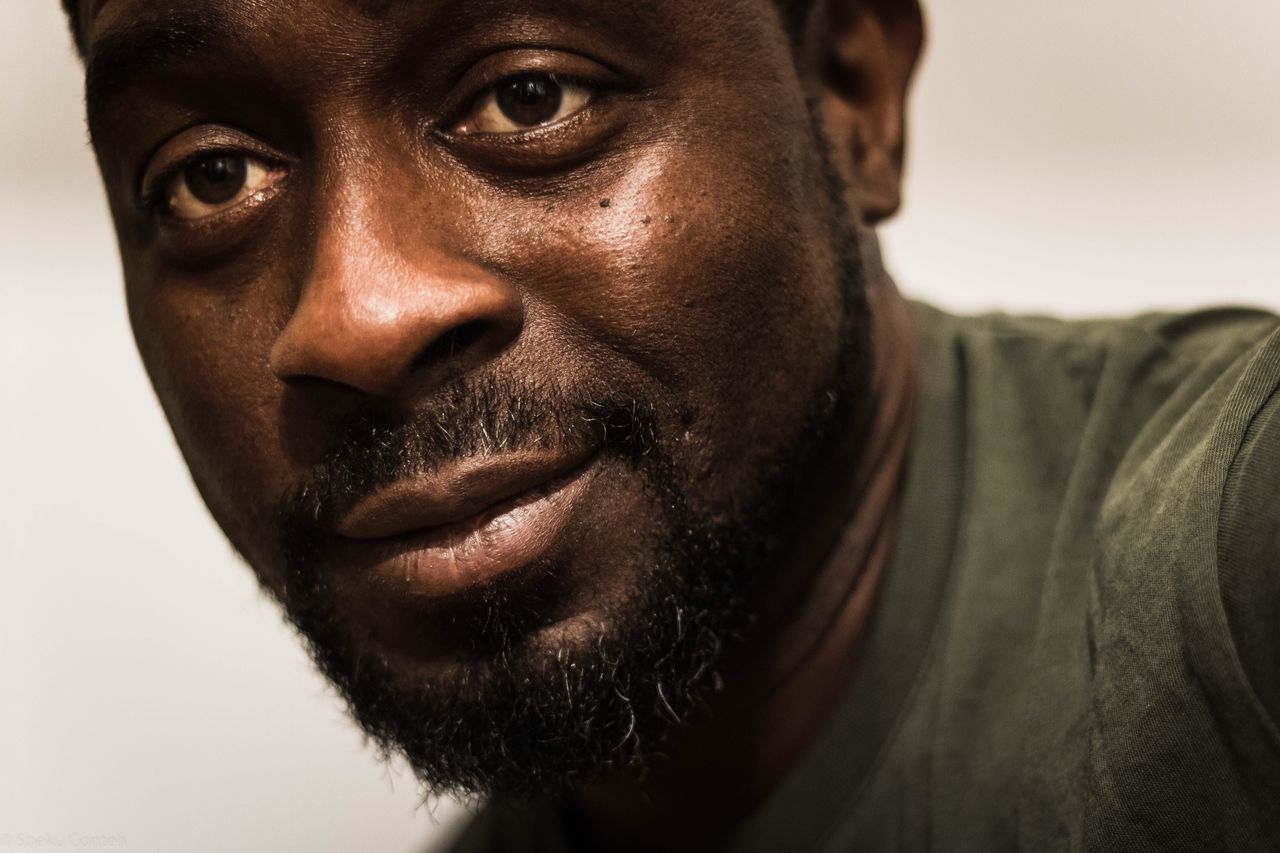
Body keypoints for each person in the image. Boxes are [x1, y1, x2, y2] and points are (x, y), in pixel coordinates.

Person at [61, 0, 1280, 850]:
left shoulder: (1226, 555)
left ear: (847, 88)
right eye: (207, 173)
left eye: (528, 95)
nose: (354, 315)